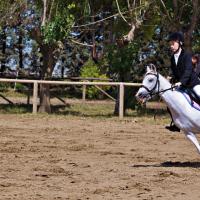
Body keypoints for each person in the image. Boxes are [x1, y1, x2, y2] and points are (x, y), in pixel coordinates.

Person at [165, 32, 200, 132]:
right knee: (170, 103)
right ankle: (176, 124)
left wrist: (180, 82)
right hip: (182, 85)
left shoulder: (187, 55)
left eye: (173, 43)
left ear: (180, 43)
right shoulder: (172, 58)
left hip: (193, 84)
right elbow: (176, 73)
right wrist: (171, 78)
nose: (171, 46)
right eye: (170, 44)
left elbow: (188, 71)